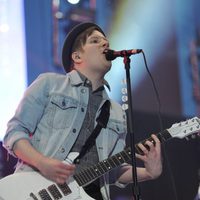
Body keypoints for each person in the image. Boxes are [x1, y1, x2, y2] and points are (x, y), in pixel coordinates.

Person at [3, 22, 162, 200]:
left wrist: (148, 173)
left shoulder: (117, 113)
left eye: (106, 42)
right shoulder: (50, 84)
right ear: (77, 56)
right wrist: (43, 163)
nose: (105, 44)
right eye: (95, 41)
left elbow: (112, 171)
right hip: (35, 191)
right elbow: (14, 133)